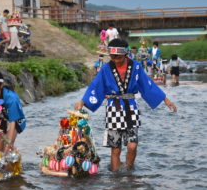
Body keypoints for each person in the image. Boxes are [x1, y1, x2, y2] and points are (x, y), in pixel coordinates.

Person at [74, 39, 177, 172]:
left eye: (118, 57)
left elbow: (147, 85)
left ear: (126, 54)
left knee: (132, 146)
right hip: (113, 109)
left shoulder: (137, 66)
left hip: (131, 109)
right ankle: (116, 176)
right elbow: (96, 86)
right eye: (112, 57)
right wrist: (83, 101)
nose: (115, 59)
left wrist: (165, 100)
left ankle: (128, 173)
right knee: (116, 149)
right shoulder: (106, 68)